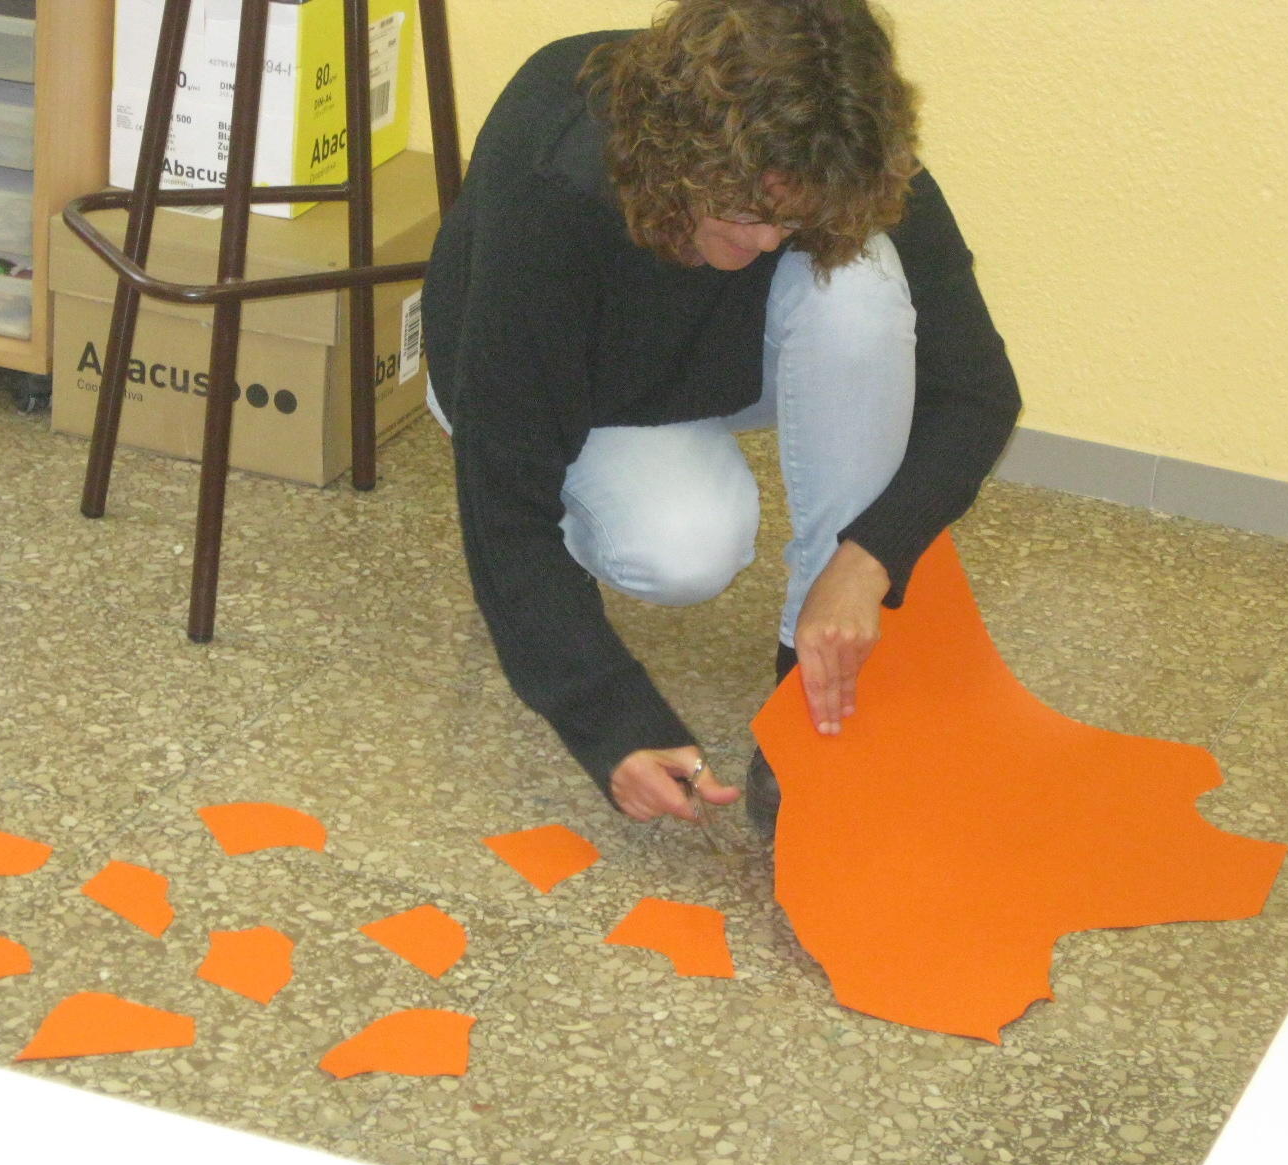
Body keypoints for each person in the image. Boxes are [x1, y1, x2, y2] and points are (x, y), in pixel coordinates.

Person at [421, 0, 1021, 834]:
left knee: (862, 286)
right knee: (687, 548)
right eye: (747, 210)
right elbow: (502, 498)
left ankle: (812, 688)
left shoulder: (830, 147)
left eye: (792, 218)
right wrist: (610, 721)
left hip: (710, 360)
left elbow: (978, 390)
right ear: (684, 158)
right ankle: (611, 527)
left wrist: (864, 562)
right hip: (561, 390)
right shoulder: (557, 182)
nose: (771, 241)